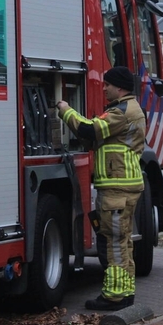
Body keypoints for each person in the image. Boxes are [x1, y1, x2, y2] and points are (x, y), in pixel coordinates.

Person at [56, 66, 145, 311]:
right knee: (123, 242)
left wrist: (65, 111)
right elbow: (99, 138)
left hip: (118, 189)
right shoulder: (129, 110)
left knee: (114, 242)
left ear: (120, 87)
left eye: (107, 84)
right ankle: (125, 293)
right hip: (122, 187)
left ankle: (115, 297)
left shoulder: (121, 112)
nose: (103, 88)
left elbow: (89, 129)